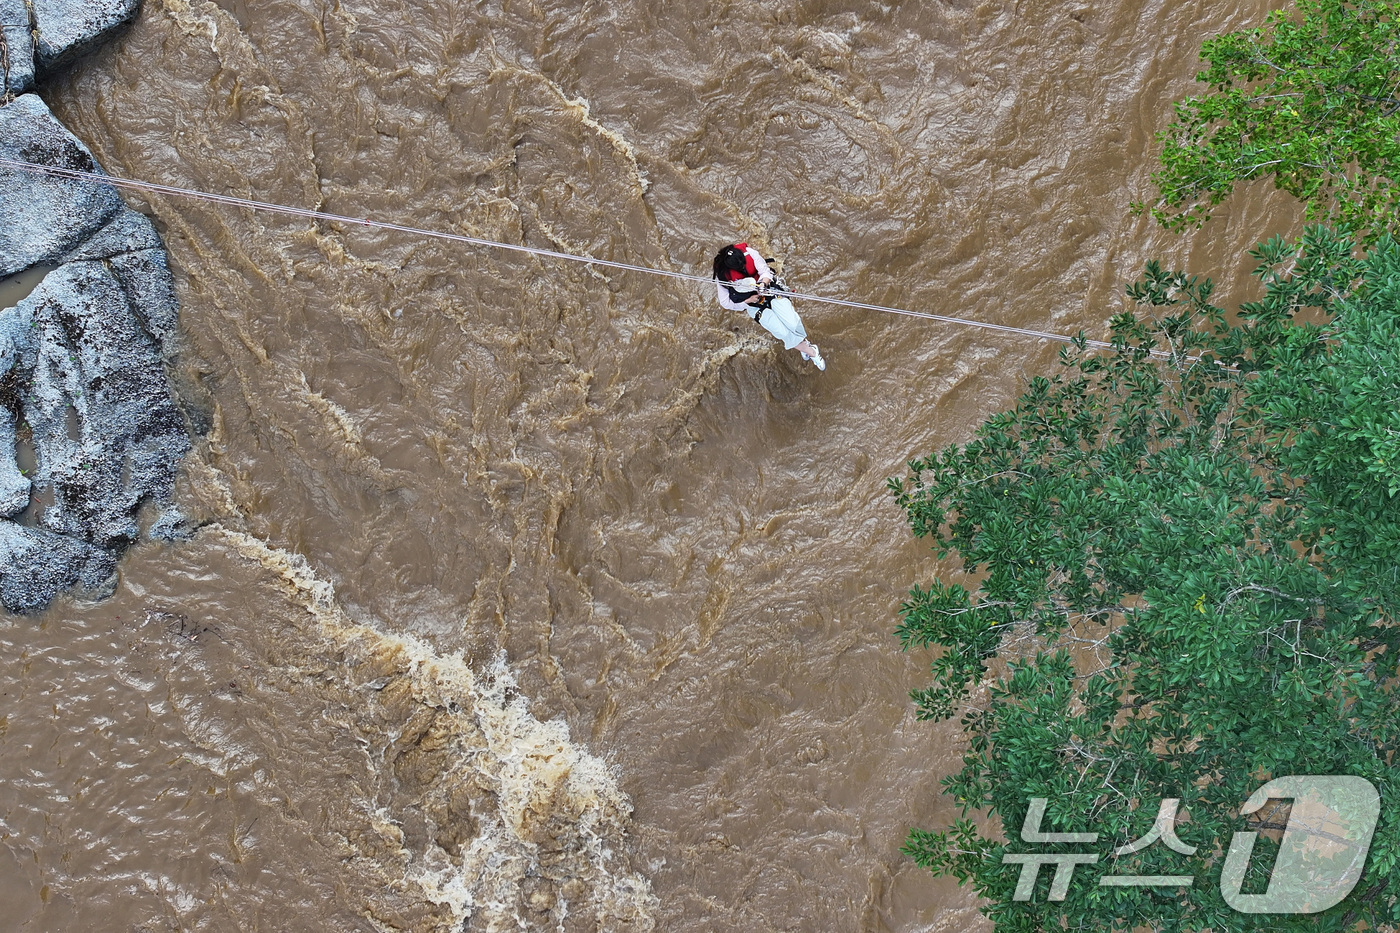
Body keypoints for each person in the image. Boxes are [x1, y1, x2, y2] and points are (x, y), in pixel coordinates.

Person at [713, 243, 825, 370]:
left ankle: (803, 345)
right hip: (754, 305)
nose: (744, 267)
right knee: (782, 332)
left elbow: (765, 271)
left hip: (770, 291)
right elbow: (725, 302)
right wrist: (748, 301)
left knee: (793, 323)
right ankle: (812, 352)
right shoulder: (722, 275)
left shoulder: (750, 253)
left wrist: (762, 283)